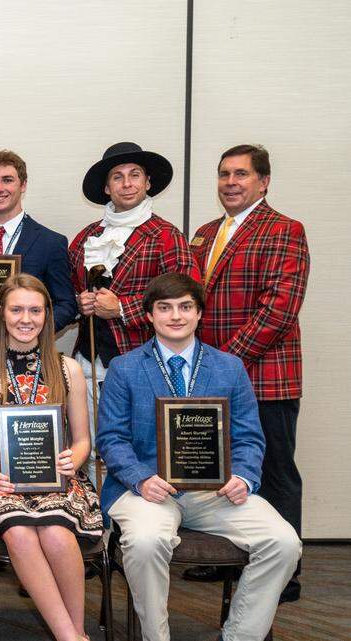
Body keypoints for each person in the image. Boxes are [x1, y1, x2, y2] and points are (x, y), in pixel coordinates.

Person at [97, 273, 300, 641]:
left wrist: (244, 476)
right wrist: (141, 478)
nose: (176, 316)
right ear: (149, 316)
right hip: (146, 490)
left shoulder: (229, 367)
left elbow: (250, 437)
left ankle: (238, 635)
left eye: (185, 307)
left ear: (199, 314)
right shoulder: (124, 369)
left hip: (217, 491)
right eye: (165, 308)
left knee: (284, 543)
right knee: (145, 542)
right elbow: (111, 439)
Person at [184, 144, 310, 601]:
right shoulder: (204, 233)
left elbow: (278, 310)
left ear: (264, 181)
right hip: (211, 378)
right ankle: (221, 558)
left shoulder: (284, 230)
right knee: (216, 471)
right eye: (223, 174)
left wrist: (225, 365)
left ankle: (285, 572)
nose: (230, 182)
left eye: (241, 174)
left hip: (264, 377)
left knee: (273, 471)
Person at [0, 274, 100, 641]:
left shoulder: (67, 368)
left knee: (56, 533)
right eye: (17, 309)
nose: (26, 318)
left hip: (59, 480)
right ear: (1, 314)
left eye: (35, 310)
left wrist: (74, 458)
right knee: (20, 532)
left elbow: (83, 439)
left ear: (47, 315)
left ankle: (76, 631)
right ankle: (70, 637)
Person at [69, 143, 199, 475]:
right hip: (88, 361)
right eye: (118, 177)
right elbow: (67, 292)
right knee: (91, 447)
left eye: (134, 175)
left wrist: (124, 308)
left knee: (136, 449)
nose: (126, 184)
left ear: (147, 183)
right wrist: (79, 302)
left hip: (142, 362)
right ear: (106, 187)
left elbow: (188, 300)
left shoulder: (167, 236)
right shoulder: (85, 237)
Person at [0, 150, 76, 369]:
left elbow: (66, 303)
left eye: (7, 180)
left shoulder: (51, 242)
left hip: (32, 359)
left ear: (23, 185)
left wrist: (34, 327)